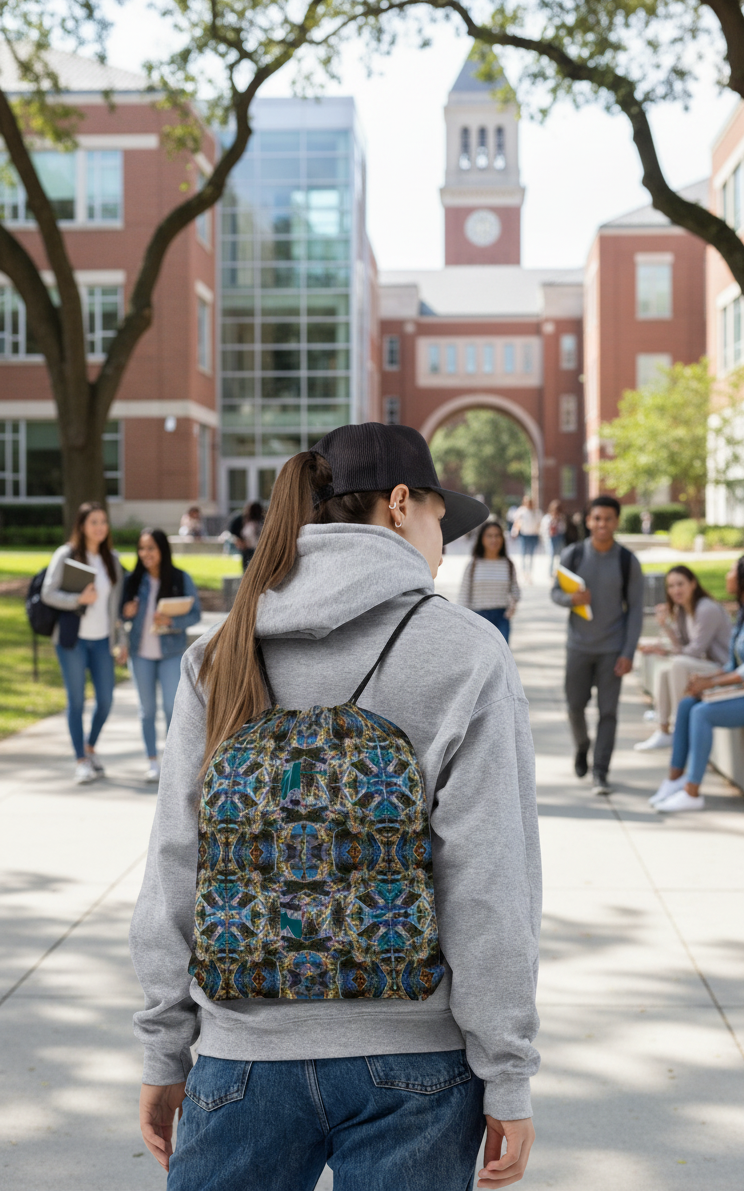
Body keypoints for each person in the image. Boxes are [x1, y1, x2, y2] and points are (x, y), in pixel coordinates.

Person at [130, 423, 541, 1191]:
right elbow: (488, 882)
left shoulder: (223, 649)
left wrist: (164, 1047)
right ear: (396, 505)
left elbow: (175, 863)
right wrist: (507, 1071)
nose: (445, 545)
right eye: (436, 519)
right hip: (415, 1059)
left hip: (241, 1054)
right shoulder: (464, 650)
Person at [651, 554, 744, 813]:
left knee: (702, 713)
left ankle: (692, 791)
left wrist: (711, 685)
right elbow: (733, 666)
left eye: (733, 571)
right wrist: (705, 681)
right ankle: (674, 780)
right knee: (688, 704)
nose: (727, 575)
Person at [551, 494, 644, 794]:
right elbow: (555, 592)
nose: (602, 524)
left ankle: (601, 771)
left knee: (608, 712)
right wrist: (570, 599)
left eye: (608, 519)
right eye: (597, 518)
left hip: (612, 650)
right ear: (588, 521)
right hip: (578, 646)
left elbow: (636, 611)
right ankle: (582, 745)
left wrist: (628, 652)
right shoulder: (573, 555)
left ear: (616, 522)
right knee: (574, 706)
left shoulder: (628, 561)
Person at [42, 501, 124, 785]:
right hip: (72, 640)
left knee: (105, 700)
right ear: (82, 526)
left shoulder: (112, 559)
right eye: (94, 522)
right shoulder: (65, 554)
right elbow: (47, 592)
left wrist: (120, 639)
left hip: (102, 641)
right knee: (76, 701)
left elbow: (116, 608)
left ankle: (90, 747)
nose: (100, 527)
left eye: (103, 522)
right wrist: (77, 600)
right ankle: (80, 760)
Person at [122, 529, 202, 783]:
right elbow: (120, 614)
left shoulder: (179, 578)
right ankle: (152, 761)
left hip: (170, 652)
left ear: (162, 550)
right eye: (141, 548)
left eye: (151, 548)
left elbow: (195, 614)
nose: (145, 554)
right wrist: (127, 612)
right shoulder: (132, 580)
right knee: (147, 710)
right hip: (140, 653)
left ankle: (171, 760)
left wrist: (173, 620)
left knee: (171, 707)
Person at [635, 565, 733, 751]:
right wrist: (665, 627)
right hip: (704, 664)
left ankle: (679, 727)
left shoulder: (706, 609)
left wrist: (666, 649)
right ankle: (664, 731)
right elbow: (682, 647)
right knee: (665, 670)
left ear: (693, 584)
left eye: (680, 584)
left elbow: (693, 651)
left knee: (677, 664)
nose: (675, 590)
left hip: (724, 668)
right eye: (671, 586)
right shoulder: (682, 610)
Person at [458, 520, 521, 643]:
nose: (494, 539)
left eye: (497, 535)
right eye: (489, 536)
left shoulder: (508, 564)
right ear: (482, 539)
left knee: (501, 659)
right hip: (478, 618)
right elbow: (463, 596)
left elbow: (516, 591)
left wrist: (512, 606)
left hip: (501, 618)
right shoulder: (473, 565)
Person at [511, 496, 542, 584]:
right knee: (524, 554)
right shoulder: (521, 511)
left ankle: (530, 572)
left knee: (531, 555)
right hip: (525, 535)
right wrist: (515, 531)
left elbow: (539, 523)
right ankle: (524, 572)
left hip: (533, 535)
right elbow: (517, 522)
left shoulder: (537, 512)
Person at [228, 500, 264, 570]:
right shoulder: (241, 520)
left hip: (259, 549)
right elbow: (234, 533)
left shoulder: (261, 522)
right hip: (248, 550)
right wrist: (240, 542)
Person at [540, 501, 566, 577]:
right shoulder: (547, 518)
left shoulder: (561, 518)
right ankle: (550, 573)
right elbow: (543, 529)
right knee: (551, 556)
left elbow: (563, 529)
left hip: (559, 538)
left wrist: (557, 521)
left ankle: (559, 572)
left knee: (560, 556)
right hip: (550, 539)